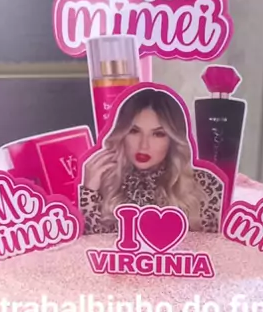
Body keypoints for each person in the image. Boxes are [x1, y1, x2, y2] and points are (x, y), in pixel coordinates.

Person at [80, 88, 223, 234]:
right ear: (122, 134)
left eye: (158, 134)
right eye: (134, 131)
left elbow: (216, 246)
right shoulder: (106, 181)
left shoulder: (202, 184)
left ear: (172, 139)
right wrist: (89, 190)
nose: (144, 145)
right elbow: (88, 245)